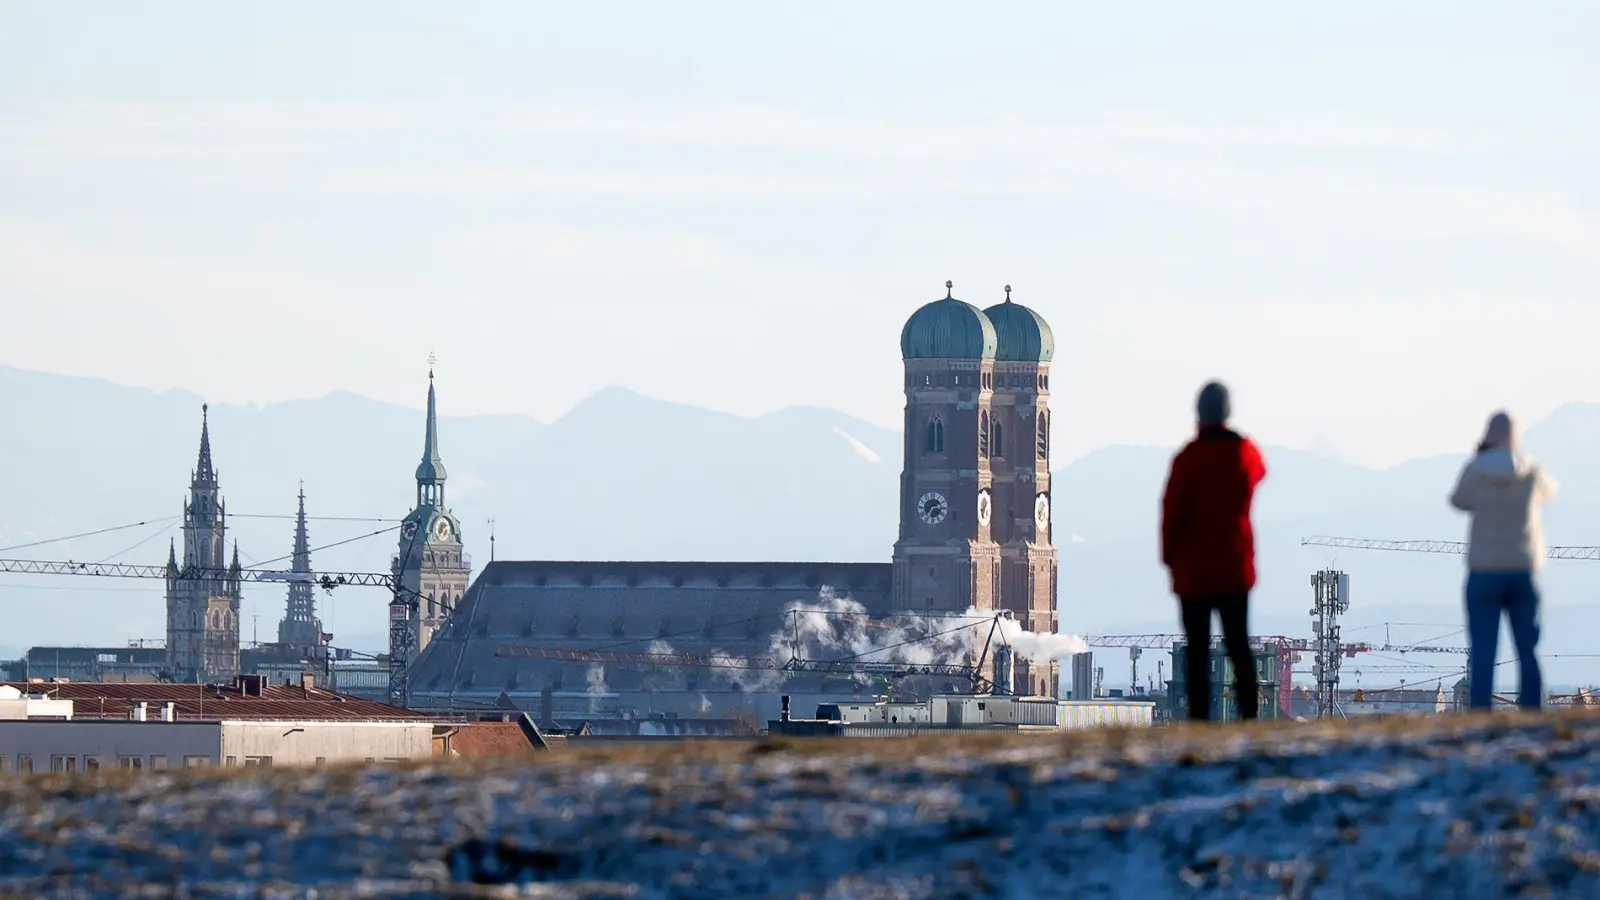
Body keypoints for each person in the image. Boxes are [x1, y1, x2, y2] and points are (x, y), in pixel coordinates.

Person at [1160, 381, 1268, 722]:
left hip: (1194, 571)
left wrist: (1170, 557)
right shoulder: (1243, 452)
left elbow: (1171, 512)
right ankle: (1249, 716)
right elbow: (1259, 471)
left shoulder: (1187, 458)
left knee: (1197, 650)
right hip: (1234, 566)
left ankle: (1200, 719)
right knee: (1238, 644)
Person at [1449, 411, 1557, 711]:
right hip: (1524, 568)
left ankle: (1481, 710)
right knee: (1527, 647)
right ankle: (1533, 709)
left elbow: (1458, 500)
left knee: (1483, 647)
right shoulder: (1532, 470)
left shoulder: (1475, 469)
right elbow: (1551, 492)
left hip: (1484, 569)